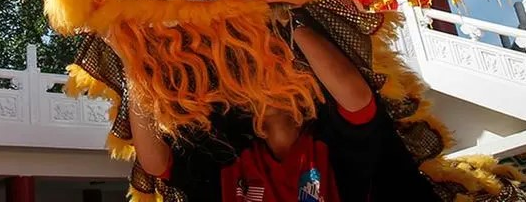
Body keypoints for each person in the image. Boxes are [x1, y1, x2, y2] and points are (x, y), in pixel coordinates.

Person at [124, 18, 442, 201]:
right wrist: (290, 19)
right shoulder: (329, 145)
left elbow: (156, 164)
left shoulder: (225, 160)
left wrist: (131, 61)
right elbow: (357, 101)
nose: (261, 72)